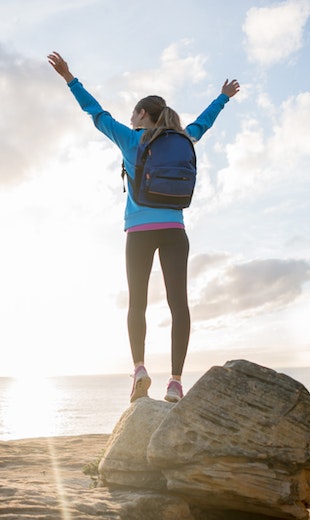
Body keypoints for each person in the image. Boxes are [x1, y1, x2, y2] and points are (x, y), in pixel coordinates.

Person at [47, 51, 240, 403]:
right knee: (178, 305)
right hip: (174, 230)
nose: (129, 116)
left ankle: (139, 369)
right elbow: (205, 122)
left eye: (134, 112)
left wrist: (69, 78)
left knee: (137, 304)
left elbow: (95, 112)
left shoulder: (131, 139)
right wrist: (223, 98)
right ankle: (176, 383)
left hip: (138, 232)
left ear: (141, 115)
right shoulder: (183, 137)